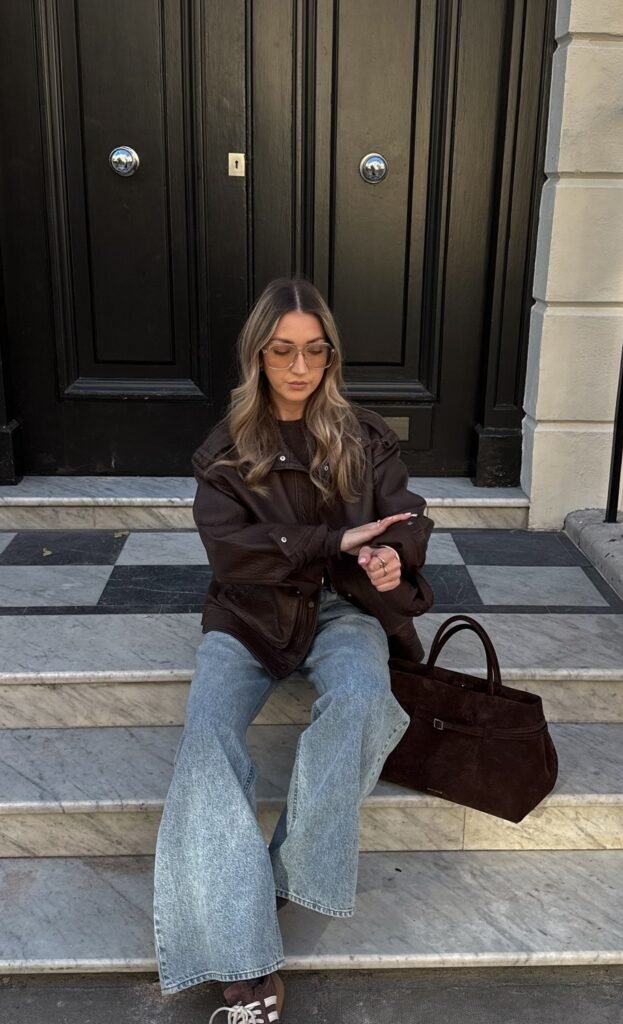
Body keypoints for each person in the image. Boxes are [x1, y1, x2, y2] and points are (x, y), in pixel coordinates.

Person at [153, 276, 434, 1022]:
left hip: (343, 610)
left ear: (331, 356)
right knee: (206, 740)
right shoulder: (223, 450)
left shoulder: (364, 435)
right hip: (247, 614)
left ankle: (273, 880)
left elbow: (406, 515)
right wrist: (334, 540)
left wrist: (392, 556)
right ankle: (244, 960)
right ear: (258, 355)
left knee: (364, 700)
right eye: (283, 351)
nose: (300, 367)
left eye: (315, 351)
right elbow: (232, 554)